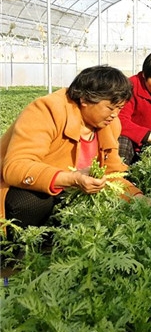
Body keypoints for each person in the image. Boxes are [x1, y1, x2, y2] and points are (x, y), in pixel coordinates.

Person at [0, 66, 143, 232]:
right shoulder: (47, 111)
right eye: (111, 108)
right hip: (23, 187)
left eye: (120, 108)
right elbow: (16, 167)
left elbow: (112, 173)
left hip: (70, 190)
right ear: (85, 99)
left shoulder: (109, 124)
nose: (115, 114)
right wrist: (72, 178)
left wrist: (137, 197)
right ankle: (20, 242)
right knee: (31, 203)